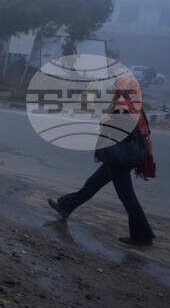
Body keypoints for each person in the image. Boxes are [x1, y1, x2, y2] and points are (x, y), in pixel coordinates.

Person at [48, 76, 157, 247]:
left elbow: (118, 133)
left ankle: (143, 235)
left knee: (127, 197)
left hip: (118, 159)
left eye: (116, 87)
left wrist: (105, 122)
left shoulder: (122, 107)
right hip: (122, 158)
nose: (113, 89)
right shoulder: (133, 104)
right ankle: (65, 206)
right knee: (92, 184)